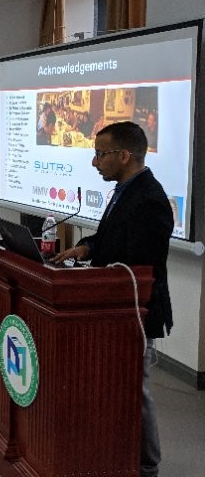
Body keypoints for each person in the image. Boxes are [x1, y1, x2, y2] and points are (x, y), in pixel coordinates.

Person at [53, 121, 173, 477]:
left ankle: (147, 466)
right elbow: (112, 240)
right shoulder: (125, 190)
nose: (95, 162)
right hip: (114, 312)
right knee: (117, 388)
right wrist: (86, 248)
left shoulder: (149, 200)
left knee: (135, 391)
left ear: (124, 155)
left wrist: (97, 269)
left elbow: (139, 268)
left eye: (100, 154)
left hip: (133, 313)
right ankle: (112, 454)